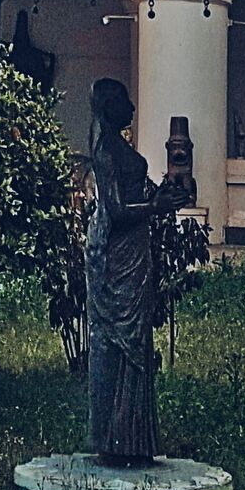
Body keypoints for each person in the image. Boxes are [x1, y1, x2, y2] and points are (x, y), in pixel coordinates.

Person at [85, 77, 166, 465]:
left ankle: (133, 439)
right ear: (108, 106)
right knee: (120, 336)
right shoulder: (105, 150)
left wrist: (159, 198)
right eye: (123, 101)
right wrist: (156, 208)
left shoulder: (118, 146)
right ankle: (114, 437)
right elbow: (116, 211)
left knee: (136, 335)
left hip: (133, 248)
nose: (132, 107)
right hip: (117, 251)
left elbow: (134, 197)